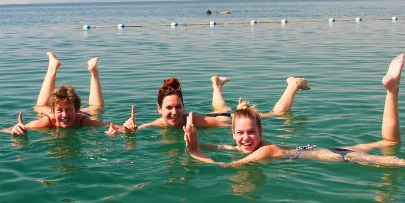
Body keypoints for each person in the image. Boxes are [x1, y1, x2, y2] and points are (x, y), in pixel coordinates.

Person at [184, 54, 405, 169]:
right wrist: (201, 142)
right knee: (389, 142)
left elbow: (228, 167)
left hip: (337, 157)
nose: (245, 138)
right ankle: (391, 90)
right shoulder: (251, 147)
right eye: (241, 134)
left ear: (261, 132)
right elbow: (226, 151)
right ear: (233, 135)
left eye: (251, 132)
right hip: (320, 149)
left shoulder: (263, 151)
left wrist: (196, 152)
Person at [113, 75, 310, 133]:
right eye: (168, 108)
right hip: (216, 116)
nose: (174, 112)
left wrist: (241, 115)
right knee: (220, 108)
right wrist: (125, 129)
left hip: (223, 121)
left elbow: (224, 123)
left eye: (178, 107)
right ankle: (216, 85)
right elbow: (138, 129)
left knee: (275, 115)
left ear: (183, 106)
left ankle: (292, 85)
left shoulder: (192, 120)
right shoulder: (161, 123)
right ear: (159, 109)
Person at [6, 52, 119, 134]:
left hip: (80, 114)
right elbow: (6, 130)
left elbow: (119, 128)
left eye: (69, 110)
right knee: (96, 108)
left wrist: (129, 127)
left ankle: (92, 72)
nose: (64, 115)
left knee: (96, 109)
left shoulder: (82, 120)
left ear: (77, 111)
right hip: (57, 113)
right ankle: (54, 68)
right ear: (53, 112)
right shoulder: (47, 121)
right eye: (59, 111)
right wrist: (15, 129)